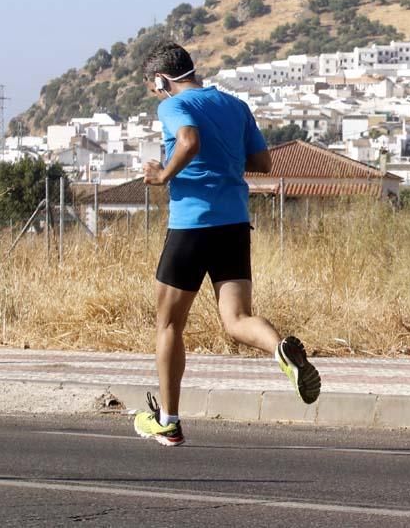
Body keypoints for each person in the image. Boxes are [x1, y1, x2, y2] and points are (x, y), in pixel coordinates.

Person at [133, 42, 320, 446]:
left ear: (162, 80)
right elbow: (263, 163)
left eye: (153, 87)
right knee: (236, 319)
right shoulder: (235, 105)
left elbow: (188, 140)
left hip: (190, 226)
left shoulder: (171, 105)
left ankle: (169, 420)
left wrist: (163, 175)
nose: (155, 94)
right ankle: (280, 350)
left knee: (168, 325)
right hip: (233, 224)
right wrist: (225, 159)